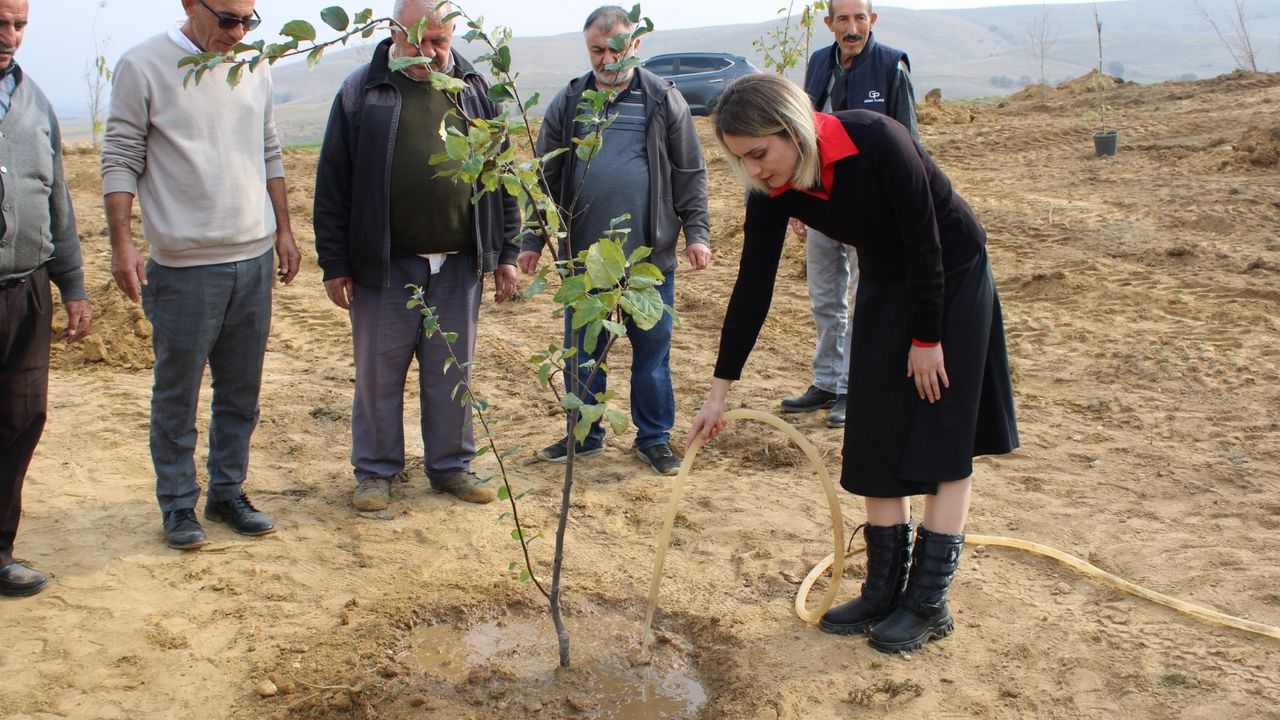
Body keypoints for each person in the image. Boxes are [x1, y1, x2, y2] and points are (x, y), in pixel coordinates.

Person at [688, 74, 1017, 653]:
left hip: (952, 274)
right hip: (886, 281)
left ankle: (927, 603)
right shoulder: (773, 188)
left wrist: (926, 338)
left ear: (792, 128)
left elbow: (925, 240)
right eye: (742, 160)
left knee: (942, 429)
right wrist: (719, 392)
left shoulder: (877, 138)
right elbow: (752, 288)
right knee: (873, 432)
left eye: (760, 153)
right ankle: (883, 589)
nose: (756, 170)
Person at [102, 0, 300, 550]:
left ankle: (228, 491)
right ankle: (178, 505)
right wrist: (122, 244)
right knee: (178, 393)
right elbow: (120, 155)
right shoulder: (143, 65)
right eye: (228, 19)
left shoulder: (253, 64)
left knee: (241, 390)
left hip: (254, 258)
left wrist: (283, 229)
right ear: (190, 4)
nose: (238, 33)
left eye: (248, 20)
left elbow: (269, 150)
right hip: (184, 267)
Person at [313, 0, 521, 511]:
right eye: (418, 41)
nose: (429, 53)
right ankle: (376, 472)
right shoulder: (362, 91)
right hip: (384, 265)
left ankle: (451, 467)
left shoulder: (476, 91)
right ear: (393, 32)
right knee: (379, 373)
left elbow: (504, 179)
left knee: (453, 372)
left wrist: (508, 250)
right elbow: (333, 182)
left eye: (441, 41)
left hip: (459, 263)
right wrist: (335, 262)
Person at [518, 5, 711, 476]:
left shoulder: (663, 100)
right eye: (596, 50)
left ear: (636, 45)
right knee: (583, 350)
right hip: (584, 261)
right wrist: (530, 237)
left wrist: (696, 233)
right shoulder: (569, 101)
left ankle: (653, 438)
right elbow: (544, 175)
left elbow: (690, 171)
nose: (607, 60)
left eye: (616, 49)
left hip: (649, 261)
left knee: (652, 354)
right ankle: (584, 436)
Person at [782, 0, 918, 429]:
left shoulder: (891, 66)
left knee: (866, 299)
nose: (852, 27)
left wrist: (901, 208)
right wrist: (799, 201)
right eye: (843, 19)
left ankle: (855, 387)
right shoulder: (819, 63)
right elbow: (803, 135)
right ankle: (827, 381)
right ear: (830, 24)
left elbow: (908, 142)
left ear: (872, 21)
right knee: (825, 296)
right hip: (822, 201)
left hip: (872, 210)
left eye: (860, 18)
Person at [0, 0, 92, 596]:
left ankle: (0, 551)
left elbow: (56, 194)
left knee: (19, 418)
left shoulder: (35, 102)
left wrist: (73, 286)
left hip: (26, 288)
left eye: (19, 24)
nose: (10, 36)